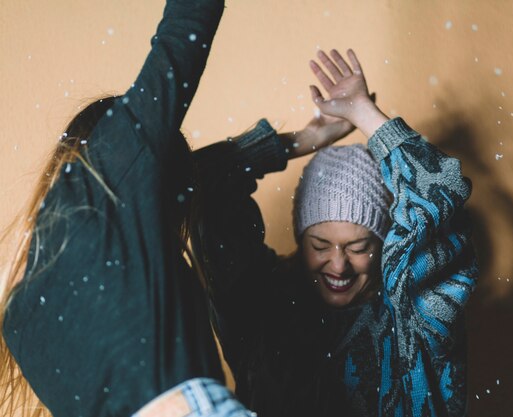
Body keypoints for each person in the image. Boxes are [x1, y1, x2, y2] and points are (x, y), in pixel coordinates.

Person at [0, 1, 260, 416]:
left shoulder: (21, 315)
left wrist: (285, 143)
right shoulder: (115, 159)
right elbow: (181, 38)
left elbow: (196, 177)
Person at [192, 48, 479, 417]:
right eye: (320, 245)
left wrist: (364, 113)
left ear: (387, 242)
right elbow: (197, 186)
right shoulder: (263, 304)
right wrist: (305, 139)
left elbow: (440, 193)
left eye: (358, 246)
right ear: (300, 238)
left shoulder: (413, 315)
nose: (339, 265)